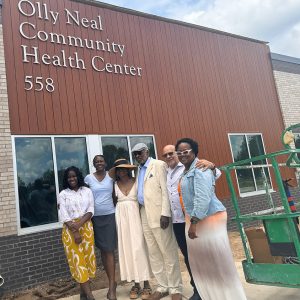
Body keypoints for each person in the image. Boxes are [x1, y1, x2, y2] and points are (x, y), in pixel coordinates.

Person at [176, 138, 247, 300]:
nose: (182, 155)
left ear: (194, 152)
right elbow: (215, 176)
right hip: (196, 218)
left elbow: (203, 197)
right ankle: (210, 294)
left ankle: (229, 296)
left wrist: (194, 223)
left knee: (217, 262)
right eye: (179, 152)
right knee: (204, 261)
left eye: (186, 151)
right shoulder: (187, 170)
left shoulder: (200, 168)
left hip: (208, 220)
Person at [162, 145, 221, 300]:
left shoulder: (190, 164)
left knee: (201, 255)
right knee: (188, 257)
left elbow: (215, 174)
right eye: (165, 155)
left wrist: (213, 166)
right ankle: (197, 288)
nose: (169, 157)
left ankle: (209, 289)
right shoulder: (166, 171)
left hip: (192, 219)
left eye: (171, 153)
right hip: (177, 221)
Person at [132, 143, 182, 300]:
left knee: (168, 252)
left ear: (147, 151)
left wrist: (165, 213)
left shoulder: (158, 165)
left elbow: (165, 190)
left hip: (160, 214)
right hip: (144, 213)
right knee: (153, 253)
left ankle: (175, 288)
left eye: (140, 152)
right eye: (135, 154)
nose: (138, 156)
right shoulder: (138, 169)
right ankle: (162, 286)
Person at [109, 159, 152, 300]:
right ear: (116, 172)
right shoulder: (114, 185)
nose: (121, 171)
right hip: (121, 220)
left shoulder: (137, 181)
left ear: (128, 169)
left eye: (124, 169)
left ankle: (146, 284)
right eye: (119, 169)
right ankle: (136, 284)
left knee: (140, 248)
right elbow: (114, 203)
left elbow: (143, 199)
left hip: (136, 217)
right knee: (128, 250)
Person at [58, 166, 96, 300]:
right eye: (69, 177)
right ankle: (90, 295)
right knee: (78, 262)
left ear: (78, 176)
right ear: (66, 179)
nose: (72, 179)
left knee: (87, 261)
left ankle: (83, 294)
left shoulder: (87, 191)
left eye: (74, 176)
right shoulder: (63, 194)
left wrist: (80, 225)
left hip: (86, 227)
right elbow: (63, 214)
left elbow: (91, 209)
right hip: (70, 231)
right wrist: (75, 231)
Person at [84, 155, 117, 300]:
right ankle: (110, 283)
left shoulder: (111, 178)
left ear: (105, 163)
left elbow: (116, 195)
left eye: (101, 161)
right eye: (96, 161)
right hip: (94, 218)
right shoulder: (88, 179)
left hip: (109, 216)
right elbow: (82, 195)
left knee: (109, 250)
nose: (99, 163)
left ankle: (111, 287)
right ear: (93, 164)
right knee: (102, 250)